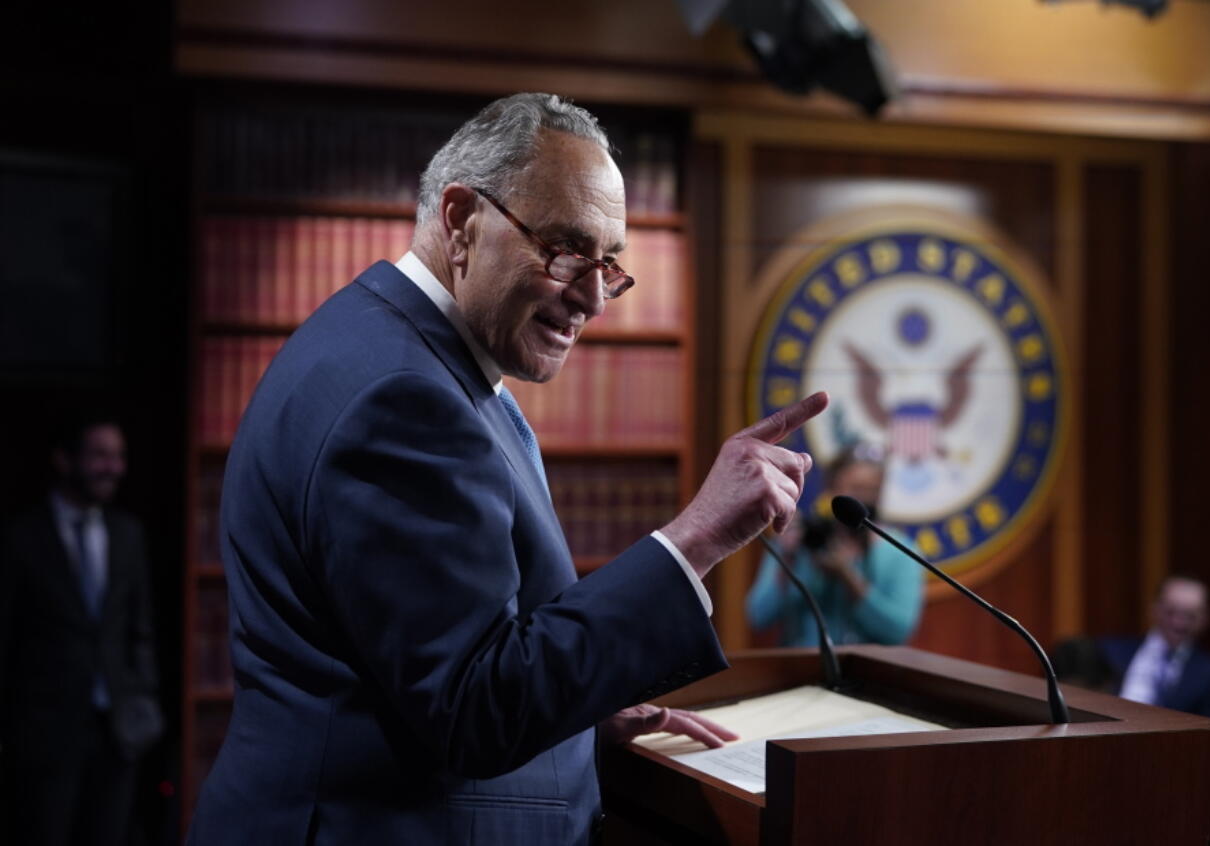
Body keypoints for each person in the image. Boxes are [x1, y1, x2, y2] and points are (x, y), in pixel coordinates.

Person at [186, 92, 827, 845]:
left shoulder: (396, 348)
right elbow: (473, 709)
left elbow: (437, 659)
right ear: (461, 221)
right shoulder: (404, 397)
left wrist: (583, 708)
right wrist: (696, 539)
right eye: (564, 250)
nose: (592, 297)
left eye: (608, 263)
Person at [0, 414, 163, 846]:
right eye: (100, 456)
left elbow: (139, 629)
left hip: (120, 734)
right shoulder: (22, 538)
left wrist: (143, 700)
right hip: (46, 738)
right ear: (64, 460)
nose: (113, 468)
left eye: (119, 456)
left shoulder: (127, 534)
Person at [746, 444, 923, 647]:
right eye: (856, 489)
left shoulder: (899, 551)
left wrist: (847, 577)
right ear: (832, 489)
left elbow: (898, 632)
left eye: (873, 490)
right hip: (802, 669)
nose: (864, 499)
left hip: (870, 673)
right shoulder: (803, 541)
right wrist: (787, 558)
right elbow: (758, 617)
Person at [1053, 576, 1210, 719]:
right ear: (1154, 609)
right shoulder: (1108, 650)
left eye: (1190, 616)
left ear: (1205, 619)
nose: (1178, 623)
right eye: (1171, 612)